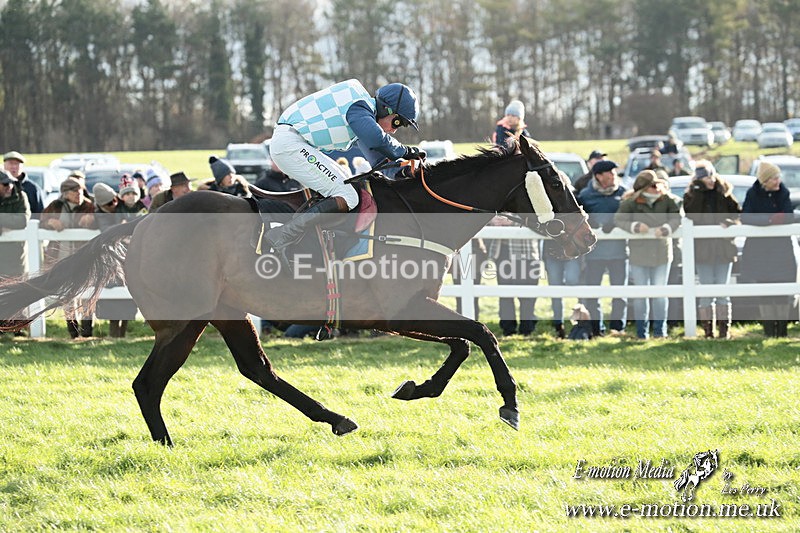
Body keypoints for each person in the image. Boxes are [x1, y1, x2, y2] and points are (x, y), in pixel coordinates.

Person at [264, 80, 424, 263]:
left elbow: (379, 160)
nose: (394, 130)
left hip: (295, 144)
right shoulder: (359, 108)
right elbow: (378, 140)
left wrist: (402, 172)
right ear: (386, 109)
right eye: (398, 122)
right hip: (289, 144)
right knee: (348, 195)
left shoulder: (363, 118)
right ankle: (282, 236)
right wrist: (406, 151)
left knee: (352, 187)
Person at [490, 99, 539, 335]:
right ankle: (508, 328)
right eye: (508, 115)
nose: (510, 119)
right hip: (504, 246)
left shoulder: (526, 137)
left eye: (514, 116)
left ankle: (528, 327)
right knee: (505, 288)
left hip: (525, 245)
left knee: (528, 288)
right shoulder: (500, 133)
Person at [614, 170, 681, 339]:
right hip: (639, 253)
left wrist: (666, 229)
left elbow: (676, 218)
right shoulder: (631, 202)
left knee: (660, 294)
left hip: (662, 252)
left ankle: (660, 331)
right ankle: (641, 332)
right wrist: (634, 226)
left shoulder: (668, 200)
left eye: (658, 184)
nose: (657, 187)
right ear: (643, 189)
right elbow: (619, 219)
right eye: (653, 185)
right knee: (641, 295)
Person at [682, 161, 741, 338]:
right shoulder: (691, 196)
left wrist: (730, 223)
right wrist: (699, 192)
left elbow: (737, 212)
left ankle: (724, 331)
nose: (710, 180)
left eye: (711, 175)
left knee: (723, 290)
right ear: (698, 179)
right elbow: (692, 214)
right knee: (706, 290)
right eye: (706, 177)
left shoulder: (724, 193)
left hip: (723, 249)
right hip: (703, 251)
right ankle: (708, 331)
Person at [739, 161, 796, 337]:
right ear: (765, 180)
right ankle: (769, 330)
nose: (778, 181)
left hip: (782, 250)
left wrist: (780, 219)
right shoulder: (753, 194)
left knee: (782, 291)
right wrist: (769, 220)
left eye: (778, 177)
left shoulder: (783, 192)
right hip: (760, 251)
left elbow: (788, 214)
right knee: (765, 291)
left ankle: (782, 331)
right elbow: (746, 217)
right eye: (774, 178)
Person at [578, 160, 628, 336]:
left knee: (620, 292)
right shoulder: (585, 195)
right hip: (594, 253)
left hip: (620, 252)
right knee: (593, 292)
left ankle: (618, 328)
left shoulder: (624, 193)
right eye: (610, 173)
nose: (614, 175)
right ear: (598, 176)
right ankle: (596, 328)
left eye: (615, 172)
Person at [41, 178, 96, 338]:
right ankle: (73, 332)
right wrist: (50, 222)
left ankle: (87, 332)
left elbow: (101, 220)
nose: (78, 194)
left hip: (84, 257)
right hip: (62, 257)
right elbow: (41, 221)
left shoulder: (90, 206)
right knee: (67, 296)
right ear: (65, 194)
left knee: (87, 293)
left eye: (80, 190)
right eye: (74, 191)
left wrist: (93, 221)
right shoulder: (55, 206)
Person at [92, 182, 137, 337]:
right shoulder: (99, 213)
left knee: (128, 292)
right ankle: (113, 333)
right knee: (111, 292)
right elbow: (106, 230)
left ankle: (123, 332)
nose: (115, 203)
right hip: (110, 257)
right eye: (110, 203)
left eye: (115, 200)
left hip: (128, 255)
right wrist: (121, 226)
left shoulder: (121, 205)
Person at [0, 169, 31, 278]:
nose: (9, 186)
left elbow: (23, 220)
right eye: (5, 184)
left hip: (16, 259)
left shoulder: (21, 196)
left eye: (11, 182)